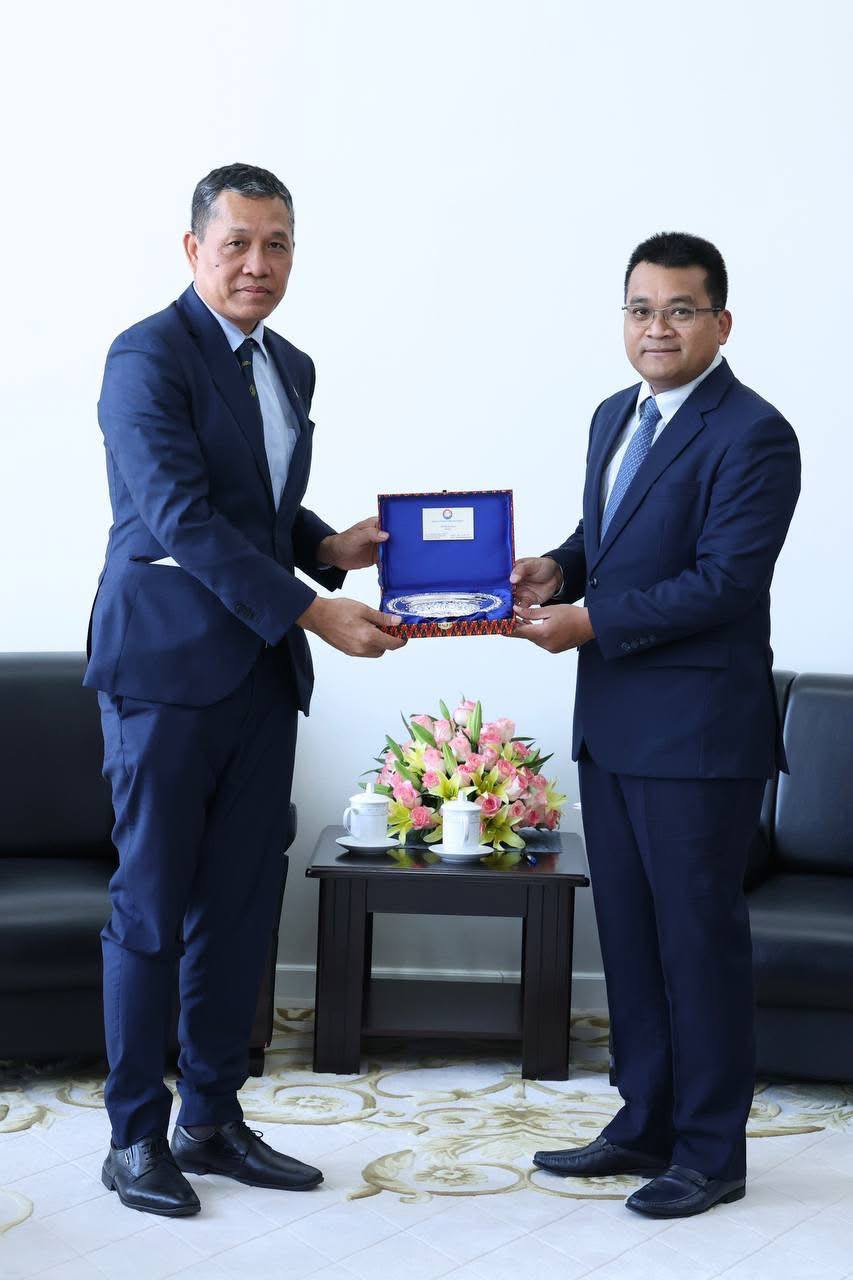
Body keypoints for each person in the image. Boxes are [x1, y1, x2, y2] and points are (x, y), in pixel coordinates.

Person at [84, 163, 406, 1218]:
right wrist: (314, 606)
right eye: (237, 244)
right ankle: (134, 1135)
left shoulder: (289, 364)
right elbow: (178, 514)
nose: (257, 264)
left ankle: (211, 1119)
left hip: (260, 673)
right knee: (150, 909)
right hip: (165, 673)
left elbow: (256, 506)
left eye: (277, 245)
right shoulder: (146, 355)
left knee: (236, 906)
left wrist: (328, 547)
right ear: (194, 249)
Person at [511, 232, 800, 1218]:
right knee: (632, 941)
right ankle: (644, 1122)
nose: (657, 328)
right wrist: (558, 568)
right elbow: (610, 539)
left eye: (680, 309)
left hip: (698, 737)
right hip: (613, 724)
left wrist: (588, 620)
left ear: (721, 322)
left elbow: (725, 582)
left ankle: (711, 1152)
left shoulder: (753, 433)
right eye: (641, 309)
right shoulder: (614, 415)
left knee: (696, 944)